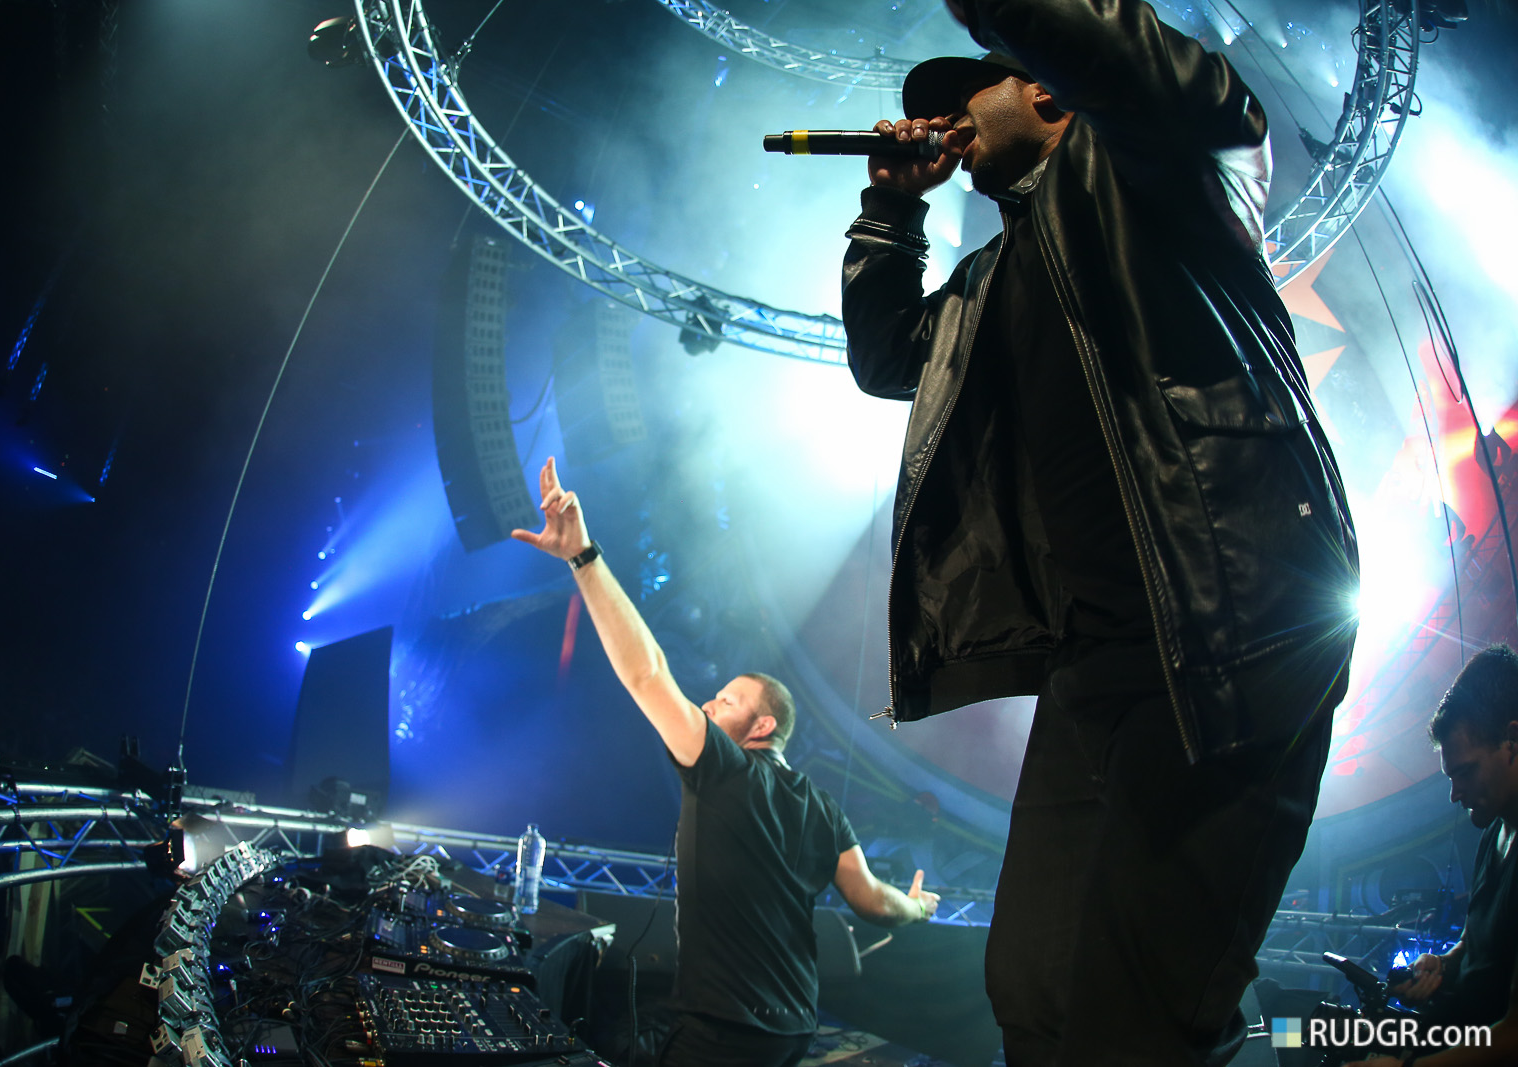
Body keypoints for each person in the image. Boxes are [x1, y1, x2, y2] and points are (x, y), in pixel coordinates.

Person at [840, 1, 1360, 1064]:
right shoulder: (993, 278)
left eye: (967, 95)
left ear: (1047, 86)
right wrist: (891, 209)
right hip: (1098, 658)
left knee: (1139, 1002)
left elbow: (1130, 62)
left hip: (1232, 626)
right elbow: (888, 358)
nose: (945, 122)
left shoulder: (1163, 171)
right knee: (1029, 985)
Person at [512, 457, 939, 1067]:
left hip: (724, 1034)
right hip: (794, 1031)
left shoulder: (727, 768)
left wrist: (583, 556)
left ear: (762, 726)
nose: (709, 705)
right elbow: (871, 899)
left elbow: (647, 672)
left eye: (727, 701)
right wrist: (918, 907)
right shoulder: (823, 810)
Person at [1338, 646, 1518, 1067]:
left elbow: (1514, 1037)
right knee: (1304, 1029)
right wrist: (1442, 964)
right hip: (1446, 1031)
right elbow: (1478, 945)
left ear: (1513, 741)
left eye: (1465, 771)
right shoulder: (1494, 832)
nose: (1455, 794)